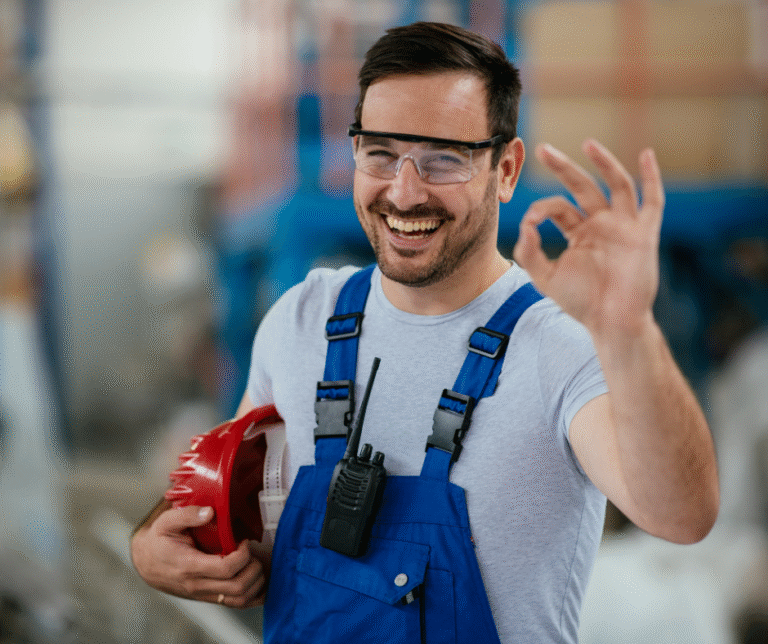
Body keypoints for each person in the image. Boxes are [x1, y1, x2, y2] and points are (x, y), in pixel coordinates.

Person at [131, 21, 719, 643]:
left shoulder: (562, 347)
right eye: (380, 153)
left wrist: (629, 330)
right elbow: (229, 489)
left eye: (444, 158)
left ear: (506, 169)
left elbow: (681, 517)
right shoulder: (303, 318)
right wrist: (150, 546)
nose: (404, 193)